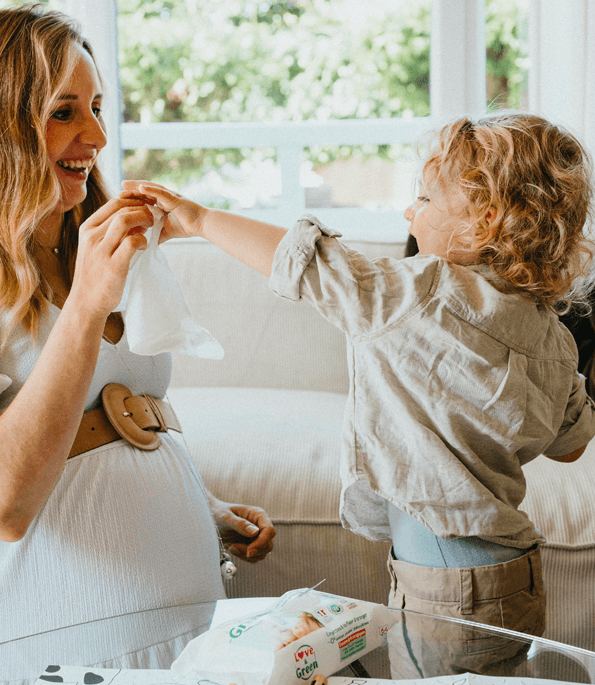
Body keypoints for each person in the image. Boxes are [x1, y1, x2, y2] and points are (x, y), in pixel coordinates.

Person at [122, 111, 595, 676]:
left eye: (424, 199)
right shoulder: (552, 335)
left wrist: (198, 218)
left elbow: (305, 262)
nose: (409, 212)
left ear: (483, 221)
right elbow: (570, 445)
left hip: (445, 578)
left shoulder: (418, 294)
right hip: (514, 571)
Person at [0, 6, 274, 682]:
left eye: (95, 106)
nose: (94, 134)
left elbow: (111, 415)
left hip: (187, 624)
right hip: (73, 639)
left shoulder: (94, 245)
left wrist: (206, 508)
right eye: (64, 111)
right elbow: (8, 503)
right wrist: (89, 301)